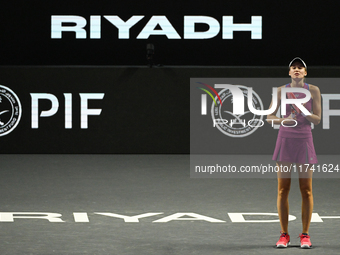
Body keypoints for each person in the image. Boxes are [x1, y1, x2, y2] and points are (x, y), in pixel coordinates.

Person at [266, 57, 322, 248]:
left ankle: (305, 235)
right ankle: (284, 235)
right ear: (289, 72)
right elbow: (269, 117)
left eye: (300, 68)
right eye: (293, 68)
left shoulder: (313, 90)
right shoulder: (281, 91)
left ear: (305, 72)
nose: (296, 70)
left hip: (304, 141)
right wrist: (284, 121)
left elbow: (317, 119)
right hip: (285, 140)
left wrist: (304, 113)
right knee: (283, 189)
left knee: (306, 190)